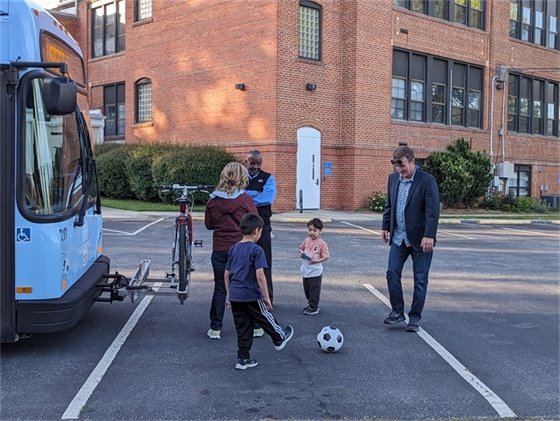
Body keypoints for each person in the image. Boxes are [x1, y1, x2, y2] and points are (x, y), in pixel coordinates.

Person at [381, 146, 440, 332]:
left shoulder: (426, 181)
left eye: (402, 164)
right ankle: (397, 312)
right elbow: (389, 205)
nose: (399, 169)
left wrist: (429, 235)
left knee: (420, 279)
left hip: (421, 239)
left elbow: (433, 211)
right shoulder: (393, 179)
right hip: (399, 237)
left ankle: (414, 317)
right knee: (392, 272)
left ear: (412, 161)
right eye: (396, 165)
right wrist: (385, 226)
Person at [224, 213, 294, 370]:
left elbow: (226, 274)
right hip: (251, 294)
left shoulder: (233, 248)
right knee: (264, 316)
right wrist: (266, 296)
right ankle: (279, 337)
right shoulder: (257, 250)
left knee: (243, 327)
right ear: (257, 230)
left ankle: (243, 359)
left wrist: (229, 295)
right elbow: (260, 275)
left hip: (235, 296)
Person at [205, 162, 257, 340]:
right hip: (242, 249)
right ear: (242, 178)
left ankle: (215, 328)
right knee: (248, 286)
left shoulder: (213, 200)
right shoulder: (246, 200)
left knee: (220, 287)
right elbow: (255, 223)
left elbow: (209, 225)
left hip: (220, 248)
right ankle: (256, 326)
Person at [245, 150, 276, 304]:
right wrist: (256, 194)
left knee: (264, 263)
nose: (255, 166)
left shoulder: (268, 178)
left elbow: (267, 198)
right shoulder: (240, 178)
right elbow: (236, 194)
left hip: (263, 226)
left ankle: (267, 298)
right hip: (243, 226)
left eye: (258, 163)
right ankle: (246, 298)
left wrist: (246, 197)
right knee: (244, 263)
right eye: (252, 163)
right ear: (246, 162)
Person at [299, 218, 330, 315]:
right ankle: (310, 304)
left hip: (315, 271)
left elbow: (326, 256)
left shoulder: (322, 243)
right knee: (307, 289)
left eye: (314, 230)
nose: (311, 232)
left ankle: (314, 307)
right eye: (310, 230)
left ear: (320, 231)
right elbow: (300, 248)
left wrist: (317, 260)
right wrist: (301, 253)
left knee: (314, 290)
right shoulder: (306, 240)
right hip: (306, 269)